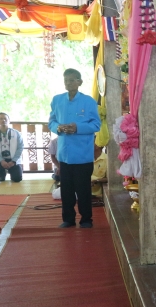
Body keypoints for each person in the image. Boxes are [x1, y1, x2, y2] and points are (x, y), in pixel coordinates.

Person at [49, 68, 101, 229]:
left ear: (79, 82)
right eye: (66, 80)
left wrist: (77, 128)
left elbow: (96, 125)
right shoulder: (57, 100)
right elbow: (51, 122)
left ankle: (86, 219)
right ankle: (68, 219)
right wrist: (58, 128)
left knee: (83, 189)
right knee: (66, 190)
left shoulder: (89, 101)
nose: (68, 83)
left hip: (83, 155)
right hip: (64, 155)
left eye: (71, 80)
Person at [0, 112, 24, 182]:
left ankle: (14, 171)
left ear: (9, 121)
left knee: (17, 179)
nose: (3, 120)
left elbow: (20, 147)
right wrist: (1, 161)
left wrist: (13, 161)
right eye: (0, 119)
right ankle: (1, 174)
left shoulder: (16, 133)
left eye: (5, 119)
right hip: (0, 160)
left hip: (13, 160)